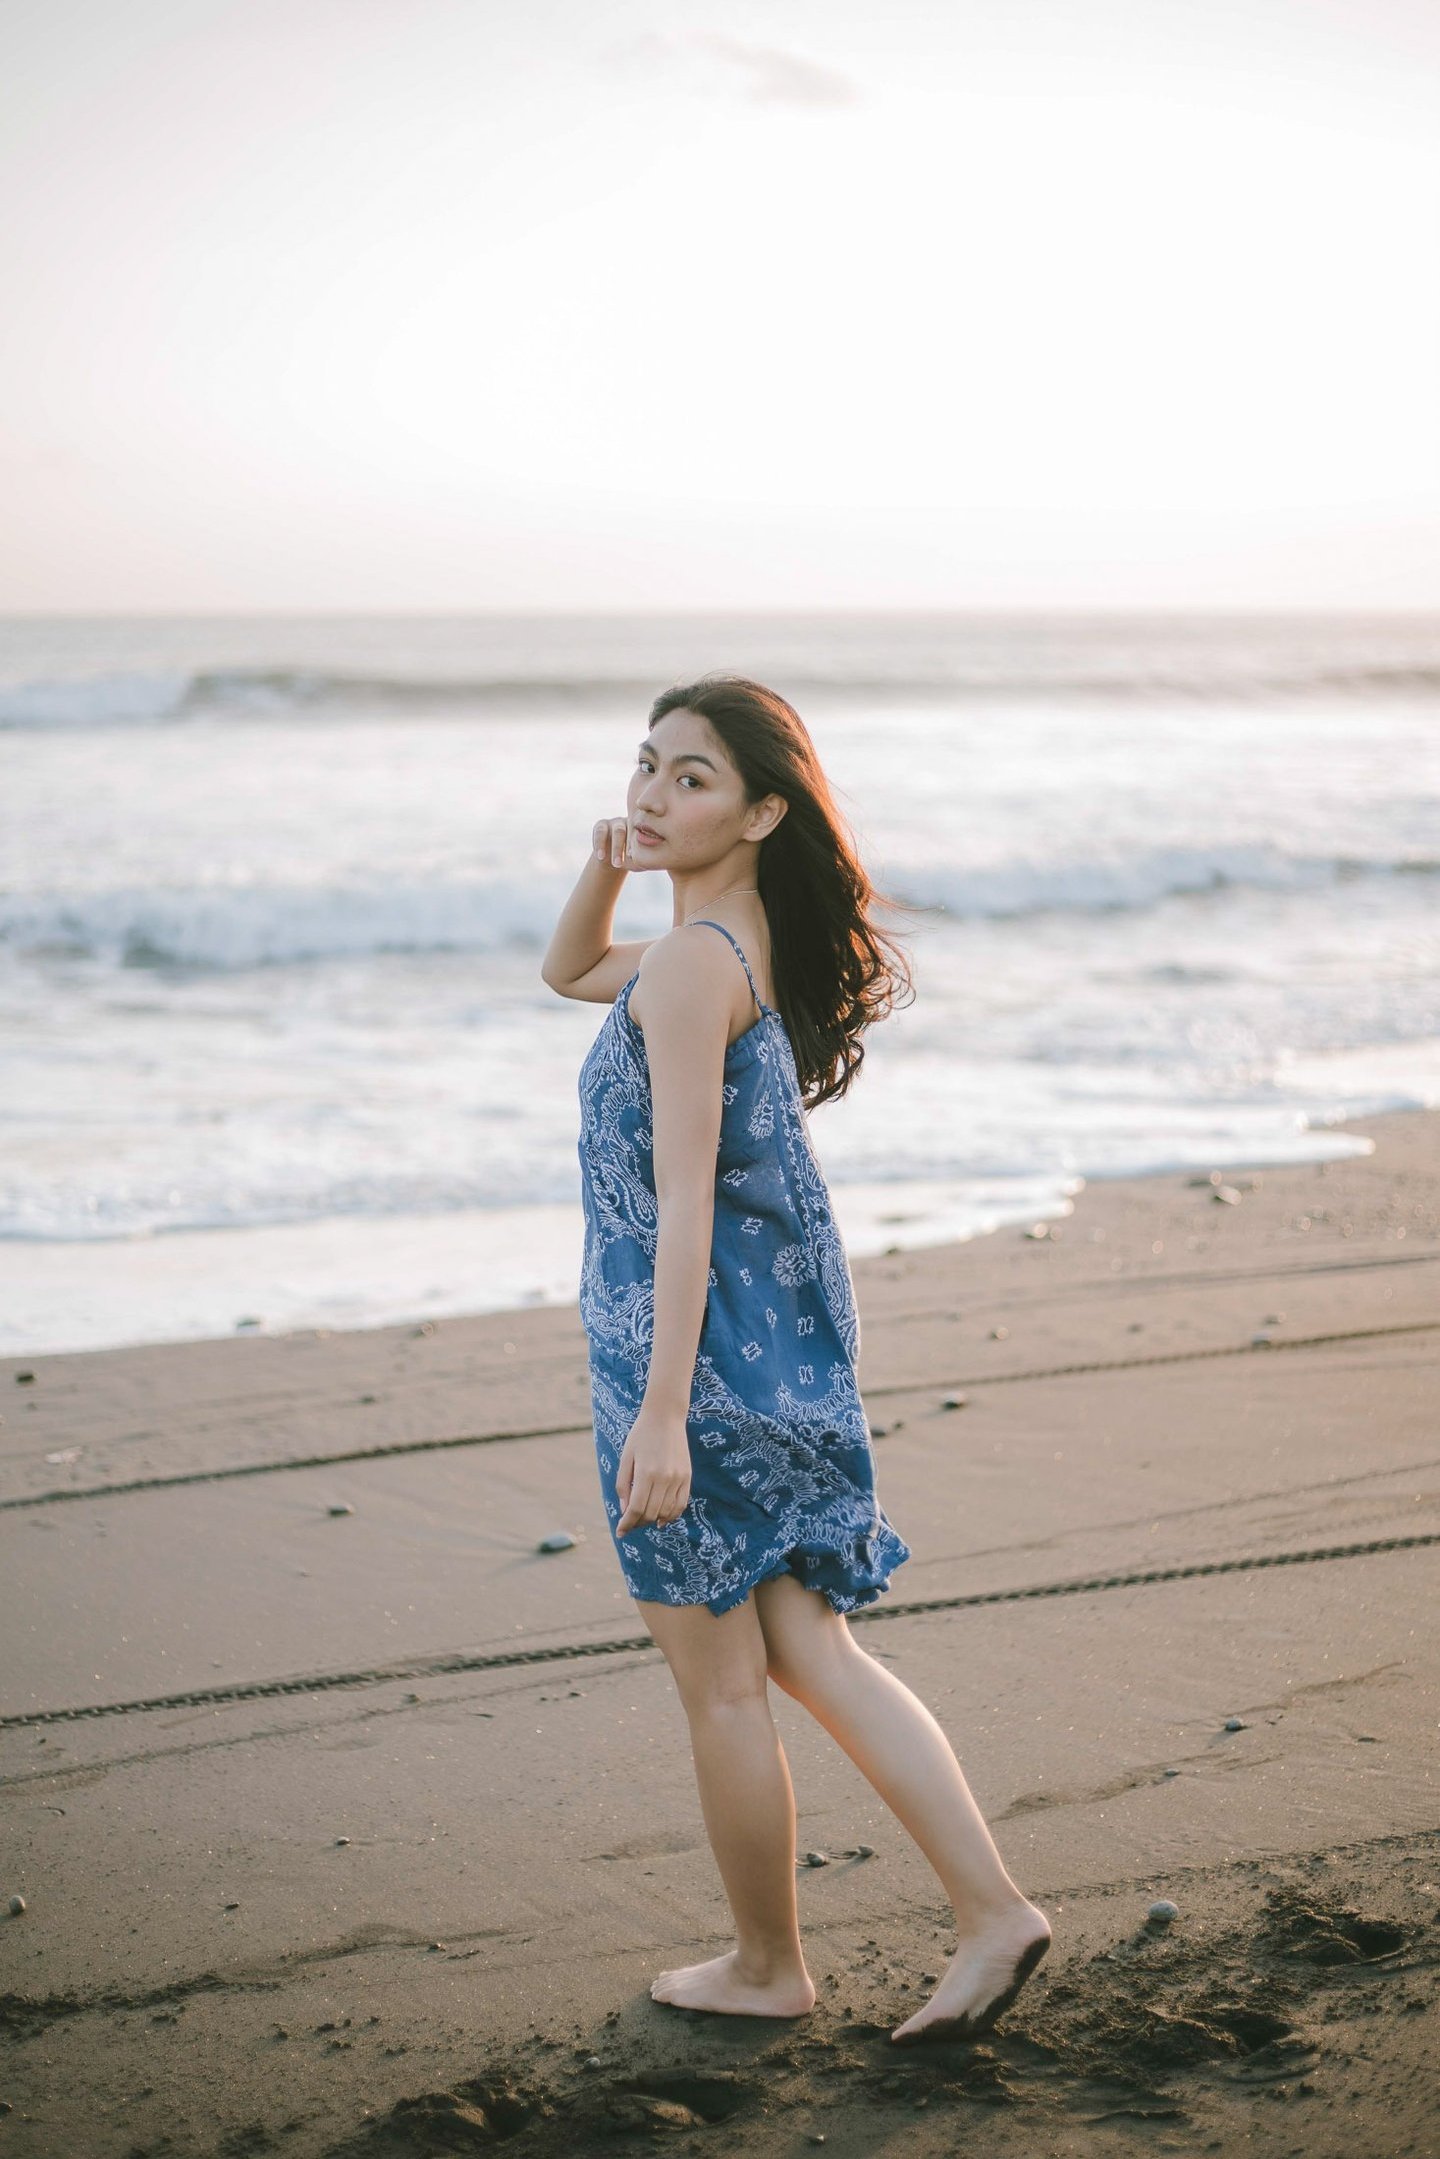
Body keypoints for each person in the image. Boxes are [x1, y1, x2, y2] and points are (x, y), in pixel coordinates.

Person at [541, 675, 1050, 2042]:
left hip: (692, 1365)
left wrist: (662, 1419)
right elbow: (567, 971)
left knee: (721, 1683)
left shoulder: (701, 962)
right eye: (645, 765)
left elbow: (690, 1199)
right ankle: (994, 1912)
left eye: (690, 777)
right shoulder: (708, 945)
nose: (652, 793)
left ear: (766, 810)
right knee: (807, 1655)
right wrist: (608, 867)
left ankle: (769, 1968)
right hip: (766, 1351)